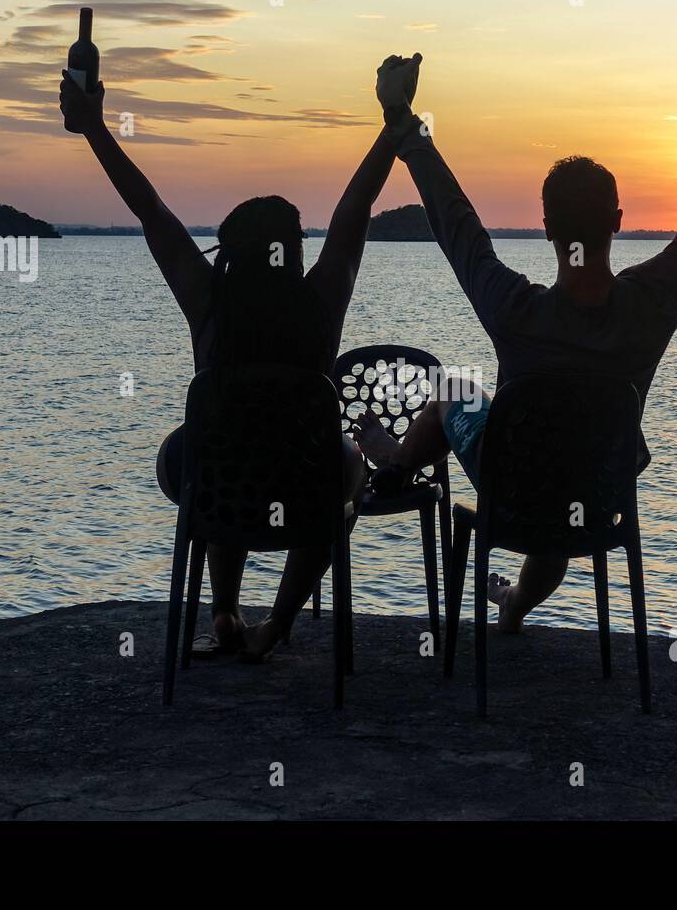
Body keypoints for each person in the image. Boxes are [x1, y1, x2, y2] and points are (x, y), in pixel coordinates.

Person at [355, 24, 677, 633]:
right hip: (598, 497)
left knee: (455, 387)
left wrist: (403, 119)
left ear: (545, 225)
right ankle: (509, 601)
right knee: (558, 486)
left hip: (515, 490)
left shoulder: (513, 309)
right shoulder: (653, 304)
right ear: (617, 220)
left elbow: (457, 224)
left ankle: (396, 465)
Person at [58, 57, 418, 660]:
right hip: (306, 488)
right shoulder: (320, 304)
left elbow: (151, 212)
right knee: (340, 472)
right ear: (291, 254)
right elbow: (353, 214)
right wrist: (392, 123)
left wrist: (95, 128)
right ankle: (276, 624)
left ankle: (223, 609)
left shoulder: (209, 302)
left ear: (232, 254)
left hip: (220, 487)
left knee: (211, 445)